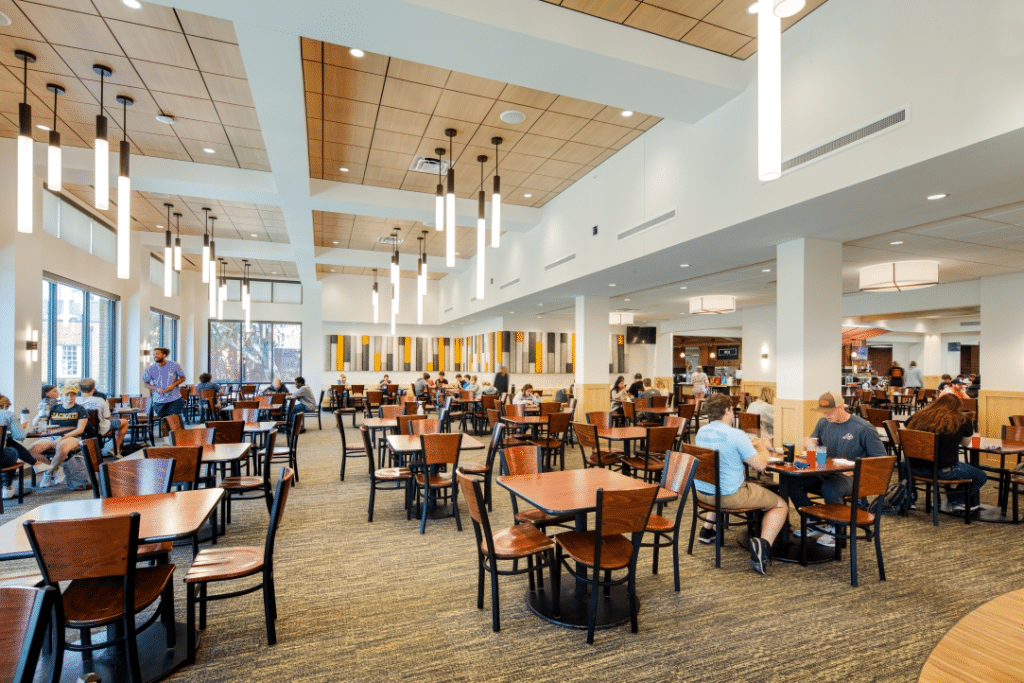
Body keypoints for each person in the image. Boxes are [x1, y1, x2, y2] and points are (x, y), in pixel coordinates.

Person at [694, 393, 788, 576]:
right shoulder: (736, 435)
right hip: (729, 496)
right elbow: (760, 465)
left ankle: (707, 530)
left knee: (722, 479)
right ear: (727, 411)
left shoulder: (701, 432)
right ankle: (763, 546)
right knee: (781, 504)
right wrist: (762, 446)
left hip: (702, 492)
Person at [791, 392, 887, 547]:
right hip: (827, 472)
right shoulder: (823, 423)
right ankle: (813, 522)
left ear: (842, 407)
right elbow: (813, 451)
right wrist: (808, 445)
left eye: (829, 411)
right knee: (793, 479)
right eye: (823, 411)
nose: (825, 415)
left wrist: (855, 469)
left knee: (830, 487)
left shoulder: (863, 428)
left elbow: (881, 460)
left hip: (853, 476)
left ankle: (836, 531)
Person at [905, 393, 986, 512]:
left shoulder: (919, 415)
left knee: (903, 462)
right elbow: (966, 443)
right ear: (957, 407)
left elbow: (906, 429)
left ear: (937, 402)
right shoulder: (962, 420)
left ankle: (911, 499)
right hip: (943, 471)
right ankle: (957, 499)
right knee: (980, 476)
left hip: (914, 468)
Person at [29, 384, 89, 488]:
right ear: (61, 396)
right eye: (67, 395)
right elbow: (35, 424)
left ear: (75, 396)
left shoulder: (80, 409)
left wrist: (63, 437)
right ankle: (55, 469)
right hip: (52, 436)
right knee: (30, 451)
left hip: (72, 437)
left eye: (72, 395)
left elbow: (80, 429)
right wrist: (40, 413)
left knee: (62, 449)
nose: (70, 398)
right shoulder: (54, 408)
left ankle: (48, 474)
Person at [78, 377, 128, 457]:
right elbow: (107, 417)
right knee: (124, 422)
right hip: (100, 428)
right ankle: (116, 449)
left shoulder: (74, 400)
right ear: (93, 389)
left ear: (79, 389)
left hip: (79, 429)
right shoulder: (101, 399)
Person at [141, 347, 186, 434]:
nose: (155, 356)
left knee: (175, 421)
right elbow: (145, 383)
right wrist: (156, 388)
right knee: (164, 422)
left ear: (164, 355)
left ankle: (179, 440)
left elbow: (183, 377)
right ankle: (167, 441)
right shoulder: (150, 369)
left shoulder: (174, 365)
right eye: (154, 354)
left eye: (157, 354)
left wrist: (173, 385)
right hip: (159, 400)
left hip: (175, 399)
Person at [0, 394, 33, 499]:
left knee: (8, 442)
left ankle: (35, 463)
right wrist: (21, 427)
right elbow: (19, 436)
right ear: (5, 406)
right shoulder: (6, 414)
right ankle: (7, 487)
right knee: (13, 451)